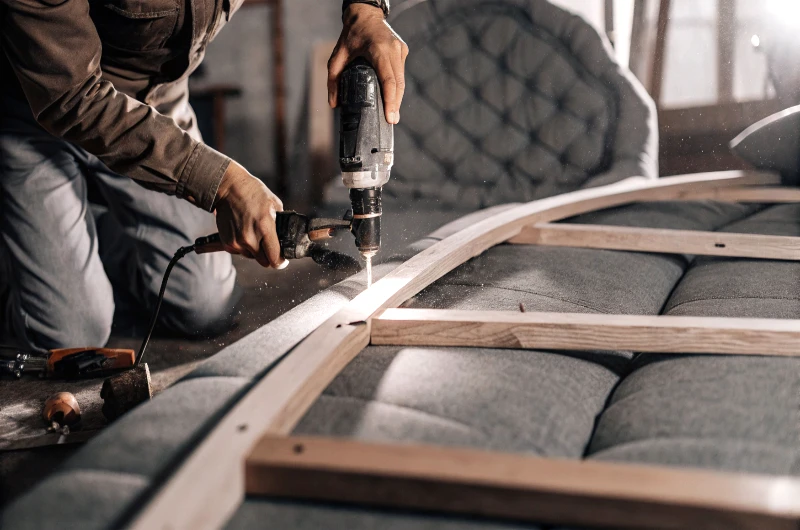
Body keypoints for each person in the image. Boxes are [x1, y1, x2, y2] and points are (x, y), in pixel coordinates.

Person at [0, 0, 407, 351]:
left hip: (153, 108)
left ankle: (88, 240)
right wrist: (222, 182)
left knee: (206, 307)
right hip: (37, 115)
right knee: (73, 337)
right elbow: (70, 97)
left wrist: (366, 9)